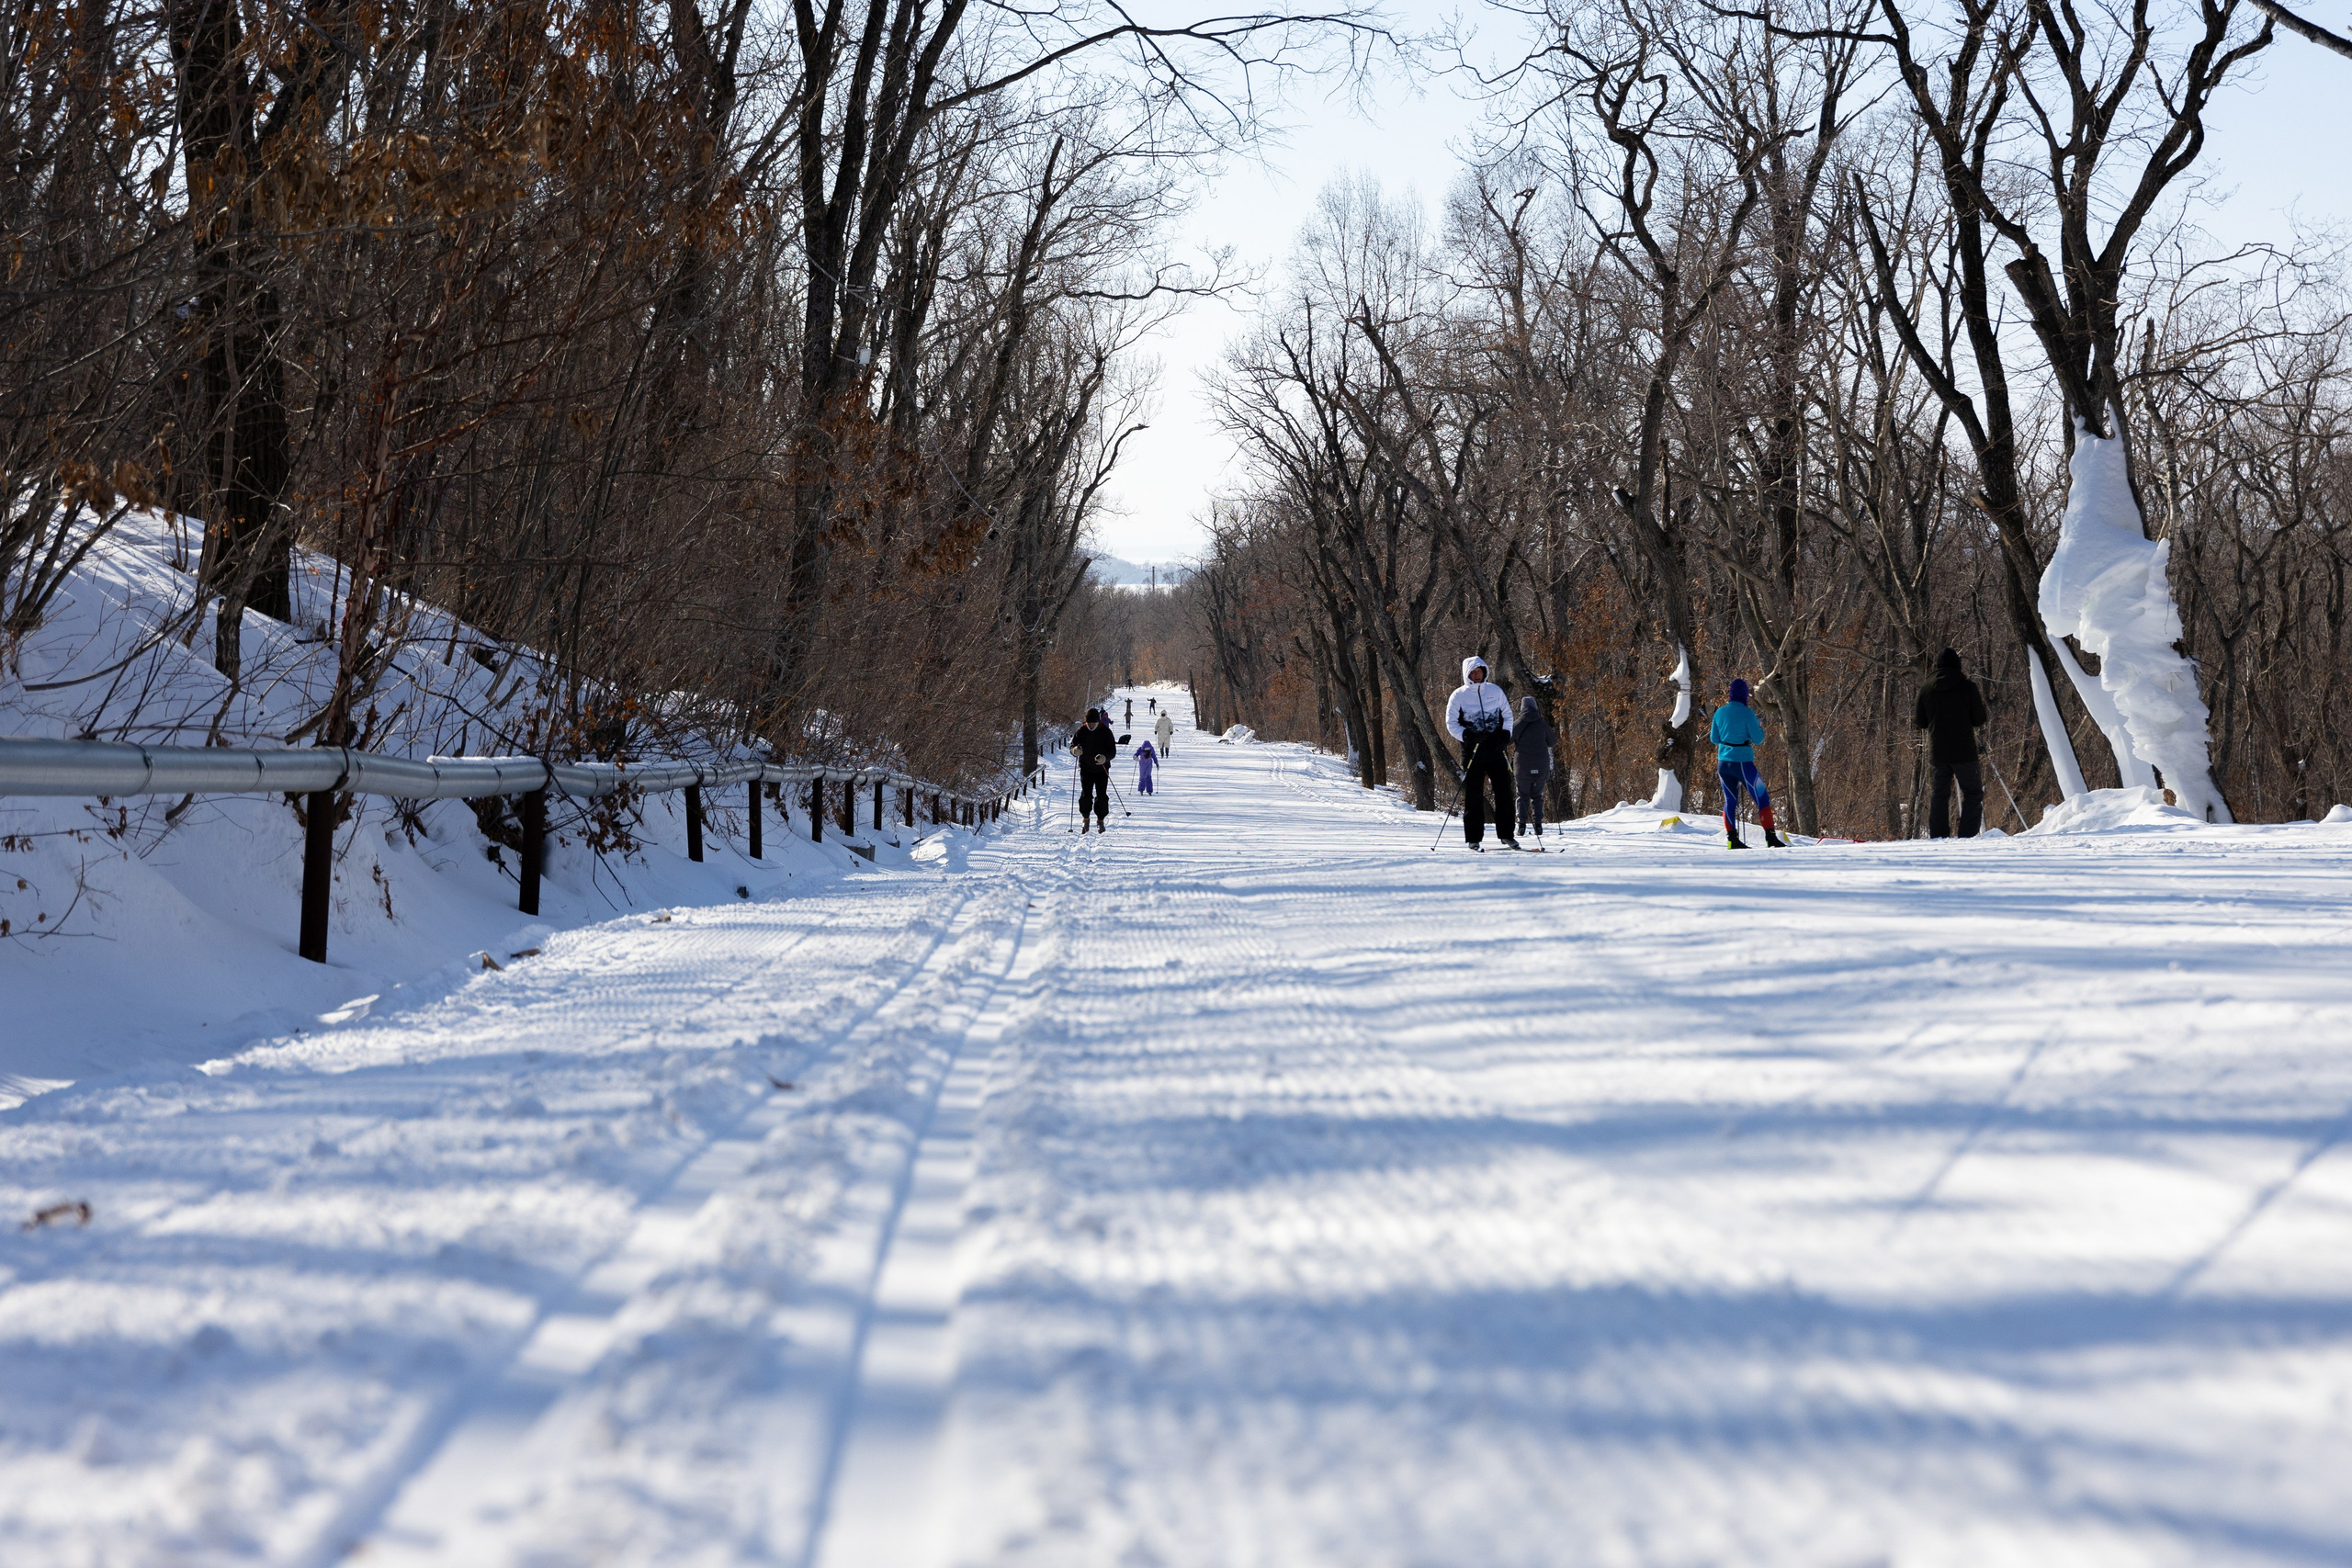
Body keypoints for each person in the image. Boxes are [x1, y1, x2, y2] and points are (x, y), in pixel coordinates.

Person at [1915, 647, 1990, 838]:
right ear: (1957, 664)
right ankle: (1967, 836)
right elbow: (1980, 719)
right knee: (1972, 793)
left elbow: (1920, 722)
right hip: (1964, 750)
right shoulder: (1968, 687)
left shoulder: (1926, 689)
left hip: (1938, 751)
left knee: (1940, 794)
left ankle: (1939, 836)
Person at [1444, 655, 1519, 850]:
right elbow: (1451, 723)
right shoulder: (1458, 695)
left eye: (1480, 671)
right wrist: (1467, 735)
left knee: (1504, 793)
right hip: (1473, 751)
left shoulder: (1495, 691)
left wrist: (1505, 735)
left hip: (1496, 750)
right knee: (1473, 796)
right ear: (1467, 674)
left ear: (1485, 672)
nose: (1477, 675)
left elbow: (1508, 715)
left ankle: (1507, 835)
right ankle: (1473, 838)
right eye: (1473, 672)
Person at [1709, 678, 1785, 849]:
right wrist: (1758, 727)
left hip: (1723, 763)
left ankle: (1732, 840)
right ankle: (1770, 838)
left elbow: (1714, 738)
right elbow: (1758, 739)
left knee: (1730, 800)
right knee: (1762, 798)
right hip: (1743, 762)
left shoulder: (1719, 712)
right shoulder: (1747, 713)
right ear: (1744, 695)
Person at [1514, 694, 1557, 840]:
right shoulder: (1543, 724)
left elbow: (1506, 740)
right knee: (1537, 796)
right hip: (1541, 766)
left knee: (1523, 796)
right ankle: (1538, 825)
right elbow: (1552, 742)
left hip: (1522, 767)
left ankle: (1521, 825)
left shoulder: (1518, 724)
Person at [1071, 708, 1115, 831]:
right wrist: (1075, 751)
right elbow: (1073, 745)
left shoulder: (1106, 732)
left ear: (1098, 722)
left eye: (1093, 723)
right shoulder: (1081, 731)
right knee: (1086, 796)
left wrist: (1105, 758)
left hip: (1102, 769)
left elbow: (1112, 751)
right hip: (1086, 769)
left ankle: (1100, 819)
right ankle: (1085, 818)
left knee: (1101, 796)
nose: (1091, 725)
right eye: (1089, 723)